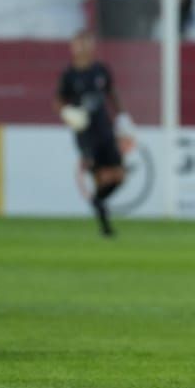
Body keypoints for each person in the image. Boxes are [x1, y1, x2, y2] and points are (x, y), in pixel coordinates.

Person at [55, 30, 135, 237]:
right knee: (100, 176)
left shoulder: (101, 70)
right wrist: (67, 112)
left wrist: (123, 116)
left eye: (87, 43)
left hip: (105, 130)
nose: (84, 48)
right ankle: (105, 227)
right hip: (85, 135)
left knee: (119, 176)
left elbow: (112, 93)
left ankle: (98, 202)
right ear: (73, 48)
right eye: (80, 44)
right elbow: (58, 100)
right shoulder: (69, 75)